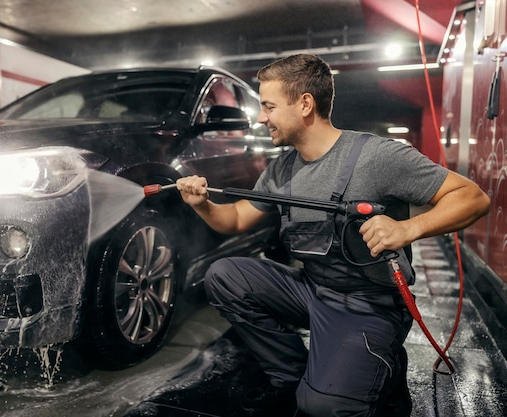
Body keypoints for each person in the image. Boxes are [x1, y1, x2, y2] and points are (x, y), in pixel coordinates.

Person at [175, 54, 490, 417]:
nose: (261, 118)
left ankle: (380, 373)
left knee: (323, 407)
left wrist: (407, 228)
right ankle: (290, 375)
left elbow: (472, 198)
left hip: (369, 303)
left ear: (305, 104)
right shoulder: (282, 169)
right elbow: (234, 219)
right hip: (312, 290)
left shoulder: (376, 157)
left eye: (269, 106)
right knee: (224, 276)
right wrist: (201, 204)